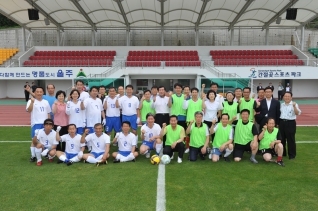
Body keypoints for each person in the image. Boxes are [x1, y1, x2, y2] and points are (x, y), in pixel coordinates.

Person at [26, 87, 51, 162]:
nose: (39, 93)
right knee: (34, 140)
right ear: (35, 93)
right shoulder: (31, 101)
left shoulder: (46, 102)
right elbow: (29, 110)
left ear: (43, 93)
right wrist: (32, 102)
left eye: (41, 92)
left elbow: (48, 113)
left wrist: (49, 122)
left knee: (45, 139)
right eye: (37, 92)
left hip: (45, 124)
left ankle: (45, 153)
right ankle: (33, 156)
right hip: (36, 124)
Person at [116, 85, 140, 149]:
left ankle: (135, 144)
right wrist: (116, 98)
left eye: (130, 89)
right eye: (128, 89)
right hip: (125, 116)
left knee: (134, 131)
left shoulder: (135, 98)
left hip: (133, 116)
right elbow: (117, 106)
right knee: (125, 131)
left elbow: (137, 109)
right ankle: (124, 145)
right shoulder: (121, 98)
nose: (129, 91)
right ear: (125, 90)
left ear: (132, 90)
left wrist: (138, 117)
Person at [279, 92, 301, 160]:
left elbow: (297, 113)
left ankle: (291, 155)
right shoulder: (281, 105)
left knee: (290, 139)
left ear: (291, 97)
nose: (287, 97)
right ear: (283, 97)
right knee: (281, 139)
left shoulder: (294, 104)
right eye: (285, 96)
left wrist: (294, 106)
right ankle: (283, 153)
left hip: (290, 123)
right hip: (282, 122)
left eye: (288, 96)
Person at [183, 87, 204, 153]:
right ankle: (188, 147)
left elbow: (203, 108)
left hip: (199, 121)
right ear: (191, 93)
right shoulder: (188, 101)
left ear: (197, 93)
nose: (194, 94)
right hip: (190, 121)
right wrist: (184, 100)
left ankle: (200, 146)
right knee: (189, 135)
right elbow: (184, 107)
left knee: (199, 135)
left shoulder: (201, 101)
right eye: (193, 92)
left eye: (196, 92)